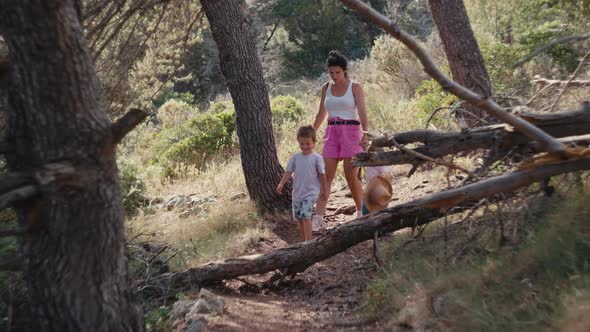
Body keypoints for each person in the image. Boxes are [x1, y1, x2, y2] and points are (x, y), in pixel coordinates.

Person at [312, 50, 369, 227]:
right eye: (331, 73)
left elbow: (362, 111)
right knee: (325, 176)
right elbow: (322, 113)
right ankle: (318, 218)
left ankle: (362, 212)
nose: (334, 76)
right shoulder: (326, 87)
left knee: (351, 176)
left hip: (351, 133)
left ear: (344, 70)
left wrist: (366, 134)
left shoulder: (355, 87)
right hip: (331, 132)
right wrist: (312, 132)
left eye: (337, 72)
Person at [277, 126, 328, 242]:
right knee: (299, 218)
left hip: (311, 193)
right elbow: (288, 172)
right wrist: (281, 184)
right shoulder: (295, 157)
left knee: (306, 215)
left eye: (308, 143)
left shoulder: (317, 158)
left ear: (314, 142)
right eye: (302, 144)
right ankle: (303, 240)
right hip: (297, 193)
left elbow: (322, 175)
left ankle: (309, 242)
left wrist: (324, 190)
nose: (305, 147)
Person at [359, 135, 392, 215]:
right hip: (369, 192)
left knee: (379, 212)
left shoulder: (382, 165)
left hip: (378, 194)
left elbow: (387, 174)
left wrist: (380, 178)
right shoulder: (371, 165)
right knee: (365, 211)